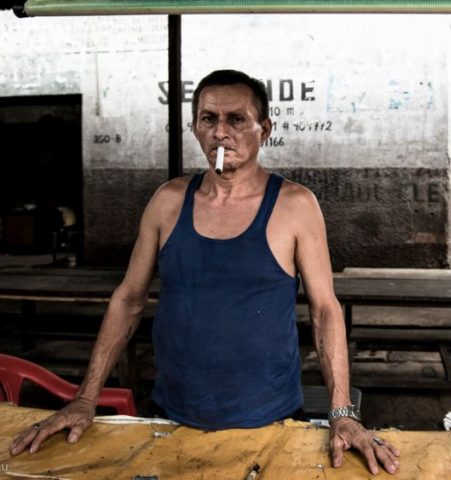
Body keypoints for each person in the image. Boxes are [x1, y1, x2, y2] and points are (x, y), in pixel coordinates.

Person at [10, 69, 400, 475]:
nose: (221, 132)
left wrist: (342, 412)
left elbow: (324, 310)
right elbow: (128, 299)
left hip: (270, 421)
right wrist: (85, 398)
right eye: (208, 119)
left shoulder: (295, 205)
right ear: (194, 127)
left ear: (264, 129)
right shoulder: (168, 201)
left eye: (237, 119)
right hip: (170, 416)